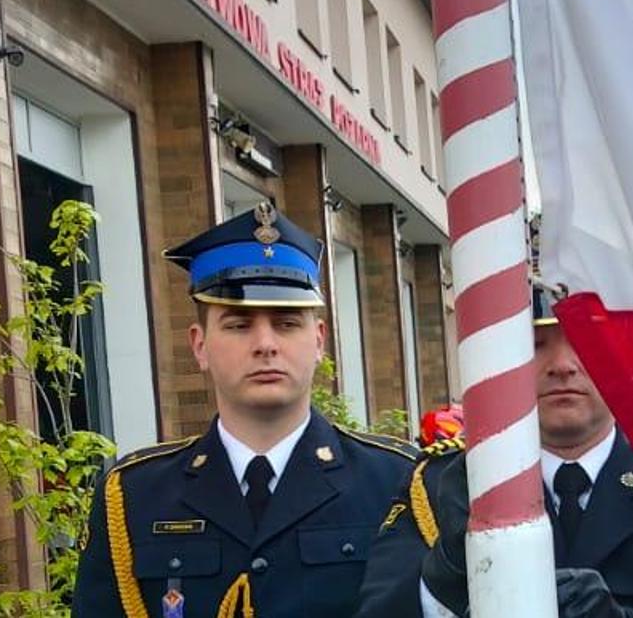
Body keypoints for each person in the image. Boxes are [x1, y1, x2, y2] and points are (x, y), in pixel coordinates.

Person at [74, 203, 418, 617]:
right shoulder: (134, 496)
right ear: (199, 345)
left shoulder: (397, 482)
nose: (265, 344)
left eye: (287, 323)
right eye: (238, 325)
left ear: (319, 341)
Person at [356, 289, 633, 618]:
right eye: (534, 345)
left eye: (584, 341)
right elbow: (380, 609)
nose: (562, 366)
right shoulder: (446, 484)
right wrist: (447, 572)